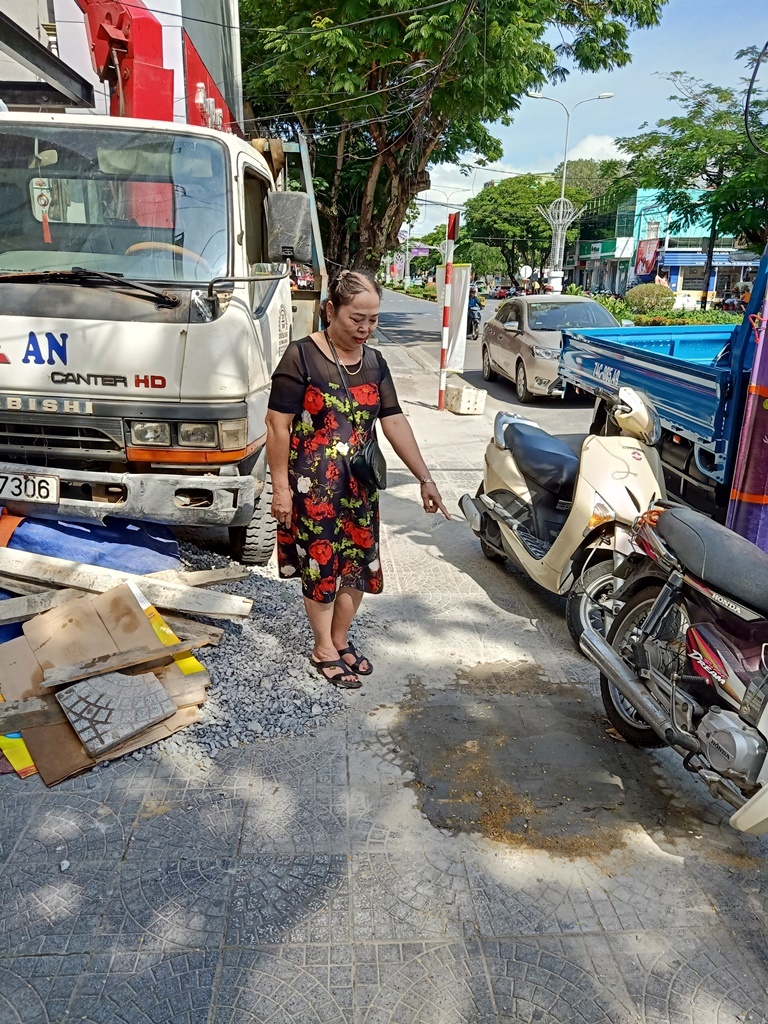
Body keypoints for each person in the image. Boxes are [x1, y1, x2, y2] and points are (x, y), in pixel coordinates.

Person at [266, 269, 450, 689]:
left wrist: (425, 477)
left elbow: (394, 420)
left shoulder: (374, 361)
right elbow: (278, 426)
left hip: (359, 487)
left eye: (373, 319)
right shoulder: (301, 357)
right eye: (356, 318)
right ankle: (323, 648)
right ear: (331, 309)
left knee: (358, 563)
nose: (365, 328)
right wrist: (280, 489)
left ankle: (340, 638)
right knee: (321, 564)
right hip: (312, 488)